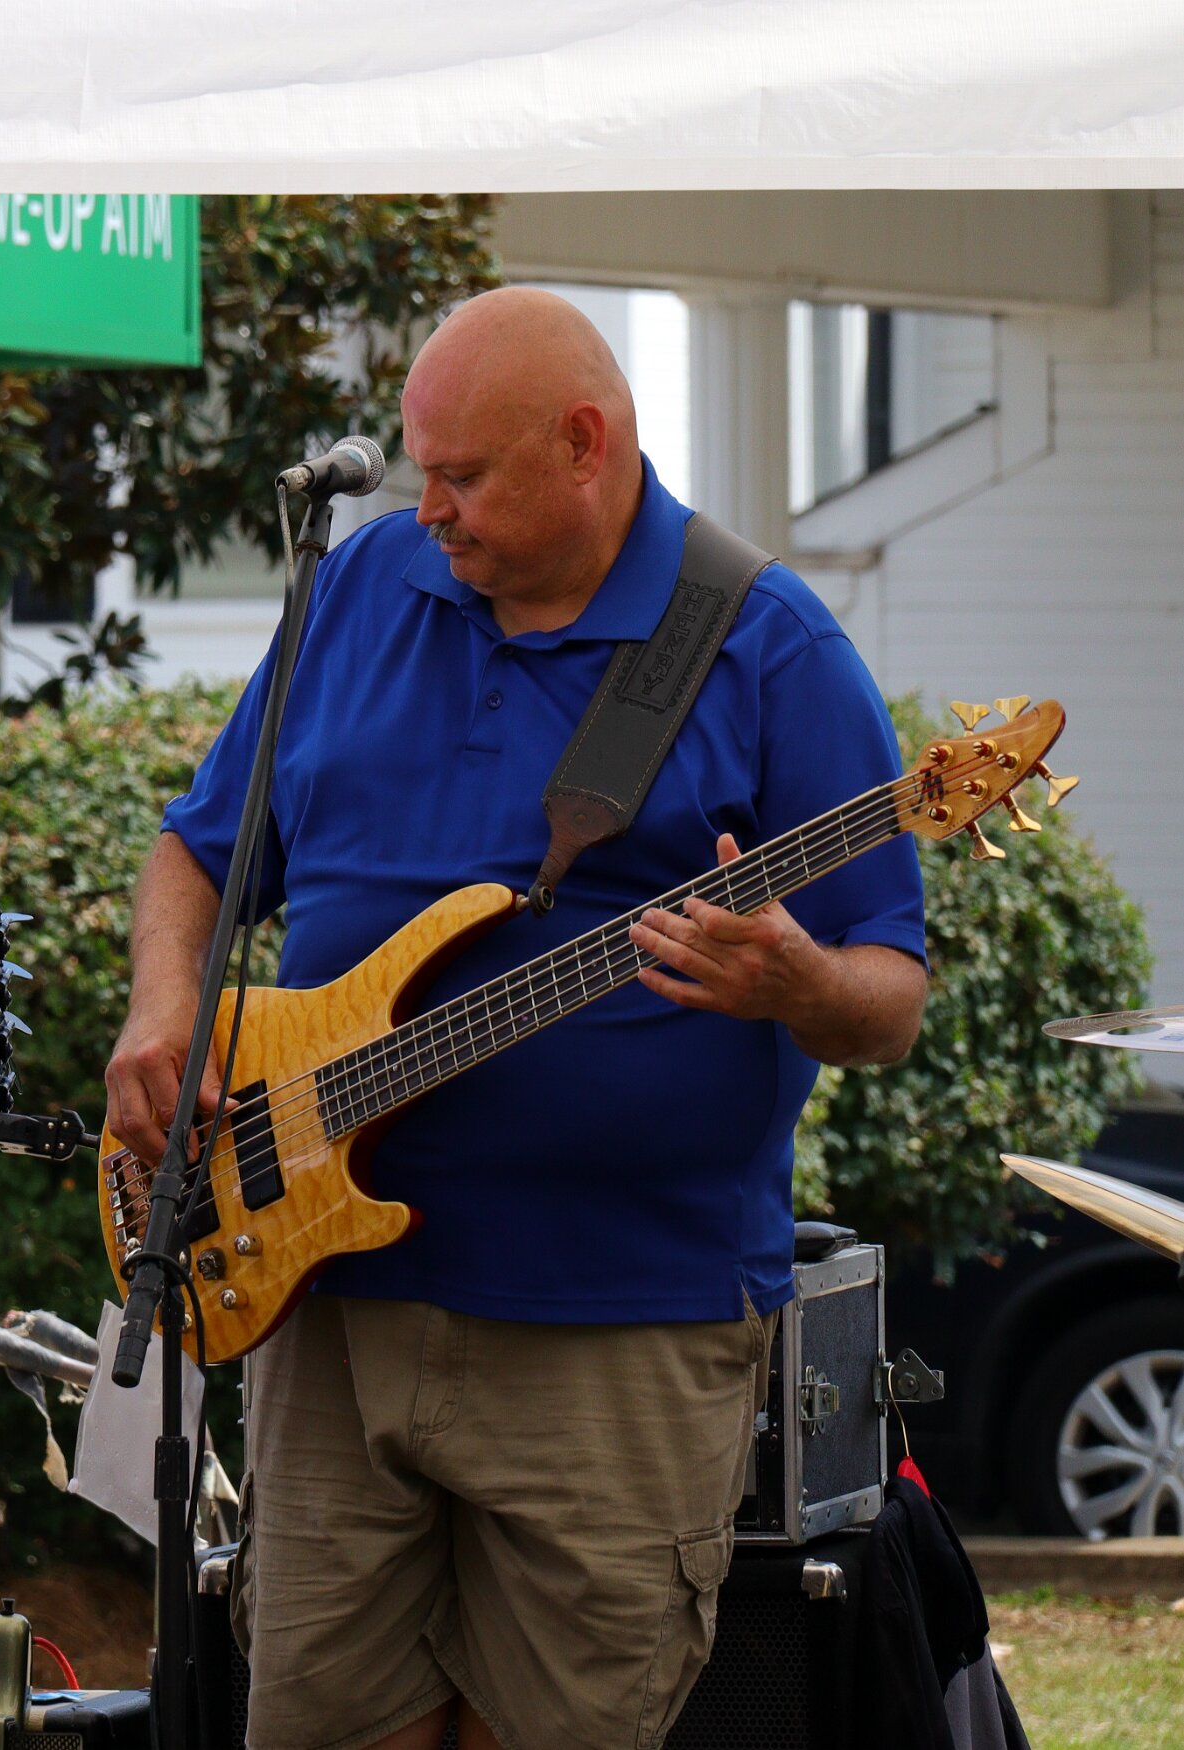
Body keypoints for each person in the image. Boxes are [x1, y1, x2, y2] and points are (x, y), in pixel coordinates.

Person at [103, 288, 929, 1750]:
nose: (428, 509)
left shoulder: (766, 645)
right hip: (322, 1295)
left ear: (583, 444)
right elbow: (199, 847)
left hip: (615, 1328)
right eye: (420, 470)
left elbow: (890, 996)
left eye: (464, 476)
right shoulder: (361, 589)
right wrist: (160, 1009)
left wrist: (797, 984)